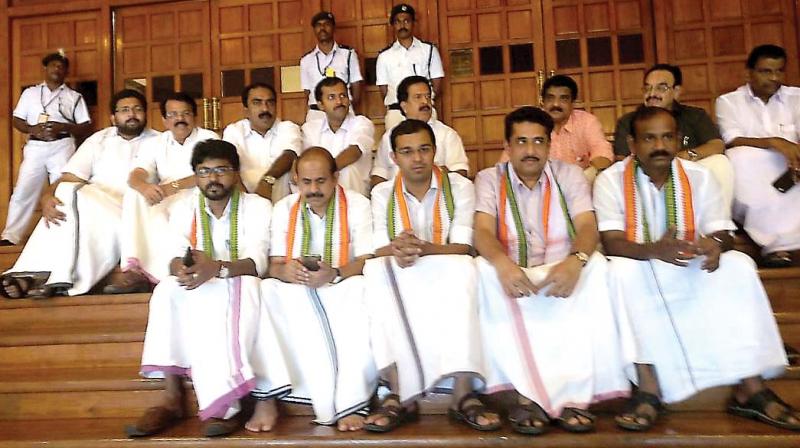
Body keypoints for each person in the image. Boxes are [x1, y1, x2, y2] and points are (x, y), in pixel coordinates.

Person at [594, 106, 795, 432]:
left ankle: (750, 388)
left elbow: (722, 231)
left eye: (666, 137)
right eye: (649, 138)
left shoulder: (699, 176)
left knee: (740, 265)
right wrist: (654, 250)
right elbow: (613, 242)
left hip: (689, 265)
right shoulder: (610, 180)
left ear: (678, 139)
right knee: (617, 271)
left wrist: (717, 245)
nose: (659, 145)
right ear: (632, 143)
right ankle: (648, 388)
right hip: (639, 266)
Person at [474, 106, 634, 435]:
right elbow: (482, 232)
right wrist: (502, 264)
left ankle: (573, 395)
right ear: (507, 145)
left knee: (599, 267)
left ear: (550, 145)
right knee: (479, 269)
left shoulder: (569, 174)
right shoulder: (490, 178)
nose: (530, 151)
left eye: (538, 142)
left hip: (562, 272)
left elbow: (588, 225)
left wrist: (576, 261)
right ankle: (521, 394)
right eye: (521, 142)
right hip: (514, 273)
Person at [127, 139, 290, 438]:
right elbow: (173, 254)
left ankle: (228, 404)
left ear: (236, 172)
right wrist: (181, 268)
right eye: (204, 172)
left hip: (238, 280)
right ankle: (172, 397)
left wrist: (216, 268)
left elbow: (257, 262)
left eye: (221, 170)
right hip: (199, 282)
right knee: (165, 291)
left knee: (239, 291)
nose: (213, 179)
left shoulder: (258, 206)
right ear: (195, 175)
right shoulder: (184, 206)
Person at [363, 119, 499, 433]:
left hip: (447, 266)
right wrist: (400, 249)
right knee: (374, 271)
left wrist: (421, 248)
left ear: (435, 152)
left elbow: (463, 246)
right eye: (407, 152)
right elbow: (378, 248)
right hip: (402, 266)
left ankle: (463, 393)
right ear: (394, 158)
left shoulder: (461, 186)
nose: (417, 158)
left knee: (467, 269)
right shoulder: (383, 192)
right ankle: (398, 392)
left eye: (424, 149)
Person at [259, 147, 377, 432]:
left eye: (321, 181)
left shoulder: (358, 204)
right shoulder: (283, 208)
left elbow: (367, 259)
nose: (313, 189)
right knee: (265, 290)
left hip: (343, 284)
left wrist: (334, 273)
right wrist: (285, 271)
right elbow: (273, 265)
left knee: (363, 288)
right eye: (306, 182)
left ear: (336, 178)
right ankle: (272, 396)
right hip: (297, 289)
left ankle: (352, 400)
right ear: (296, 180)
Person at [1, 89, 158, 298]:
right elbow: (68, 177)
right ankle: (48, 276)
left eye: (138, 109)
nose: (132, 114)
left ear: (146, 114)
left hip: (135, 210)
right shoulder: (99, 139)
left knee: (72, 198)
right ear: (113, 117)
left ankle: (38, 275)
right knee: (65, 201)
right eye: (125, 110)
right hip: (94, 206)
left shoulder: (159, 141)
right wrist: (47, 197)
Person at [110, 92, 218, 290]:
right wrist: (144, 186)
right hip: (167, 196)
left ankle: (168, 271)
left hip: (200, 193)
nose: (180, 119)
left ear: (195, 117)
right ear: (164, 120)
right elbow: (136, 174)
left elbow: (211, 174)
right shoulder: (156, 142)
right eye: (173, 114)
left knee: (173, 211)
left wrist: (172, 187)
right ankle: (136, 270)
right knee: (135, 195)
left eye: (185, 113)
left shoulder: (208, 138)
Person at [716, 44, 800, 267]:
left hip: (793, 170)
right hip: (754, 172)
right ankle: (776, 244)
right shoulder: (728, 101)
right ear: (748, 73)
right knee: (740, 157)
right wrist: (775, 142)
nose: (774, 78)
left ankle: (784, 245)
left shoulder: (796, 98)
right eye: (766, 71)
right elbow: (731, 139)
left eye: (779, 71)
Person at [1, 52, 92, 246]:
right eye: (53, 65)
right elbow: (17, 120)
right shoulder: (30, 93)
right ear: (45, 68)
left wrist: (63, 126)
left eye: (61, 67)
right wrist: (32, 128)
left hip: (63, 145)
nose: (57, 69)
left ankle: (65, 236)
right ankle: (11, 235)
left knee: (63, 189)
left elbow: (85, 125)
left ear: (66, 71)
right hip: (35, 146)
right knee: (23, 189)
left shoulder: (74, 96)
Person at [615, 64, 733, 208]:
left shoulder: (694, 115)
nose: (652, 94)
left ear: (676, 91)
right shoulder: (628, 120)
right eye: (647, 88)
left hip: (690, 171)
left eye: (661, 88)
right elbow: (621, 158)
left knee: (720, 162)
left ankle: (717, 227)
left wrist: (687, 155)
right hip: (646, 173)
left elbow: (717, 144)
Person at [370, 76, 469, 187]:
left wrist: (436, 173)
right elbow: (379, 174)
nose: (425, 102)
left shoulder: (447, 134)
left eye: (428, 96)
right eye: (418, 97)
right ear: (404, 106)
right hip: (397, 200)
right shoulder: (389, 136)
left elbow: (460, 174)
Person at [222, 82, 302, 202]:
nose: (265, 108)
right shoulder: (234, 131)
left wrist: (267, 180)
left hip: (282, 206)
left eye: (270, 102)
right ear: (246, 110)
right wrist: (248, 202)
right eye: (257, 103)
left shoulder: (288, 127)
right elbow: (228, 165)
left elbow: (289, 155)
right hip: (244, 203)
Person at [376, 3, 444, 130]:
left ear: (413, 23)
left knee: (427, 146)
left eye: (406, 21)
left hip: (424, 110)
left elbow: (437, 83)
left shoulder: (429, 50)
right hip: (396, 113)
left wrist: (421, 100)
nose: (402, 25)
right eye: (398, 22)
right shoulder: (384, 56)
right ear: (393, 25)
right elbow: (383, 90)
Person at [302, 77, 374, 196]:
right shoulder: (310, 128)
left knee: (347, 170)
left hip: (355, 196)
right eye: (331, 97)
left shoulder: (362, 123)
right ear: (320, 105)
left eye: (343, 96)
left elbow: (355, 152)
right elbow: (305, 161)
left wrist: (324, 173)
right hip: (319, 193)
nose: (339, 102)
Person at [540, 74, 613, 178]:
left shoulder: (587, 122)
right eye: (550, 98)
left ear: (572, 103)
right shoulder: (531, 124)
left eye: (563, 99)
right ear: (542, 101)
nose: (556, 104)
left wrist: (589, 175)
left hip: (582, 185)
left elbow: (602, 151)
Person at [300, 11, 363, 123]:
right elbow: (307, 92)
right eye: (318, 25)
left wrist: (344, 106)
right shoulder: (306, 60)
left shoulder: (348, 54)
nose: (322, 28)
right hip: (316, 114)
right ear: (314, 29)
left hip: (342, 110)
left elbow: (356, 86)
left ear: (333, 28)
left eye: (326, 24)